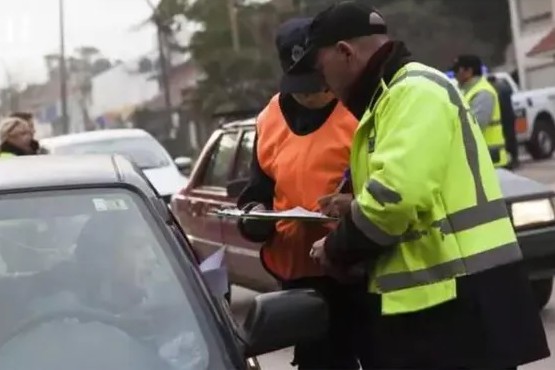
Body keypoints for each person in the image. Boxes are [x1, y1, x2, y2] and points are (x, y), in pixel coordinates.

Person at [290, 1, 550, 369]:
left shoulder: (412, 92)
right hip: (442, 303)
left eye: (322, 71)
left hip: (457, 307)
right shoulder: (389, 98)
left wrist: (337, 247)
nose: (325, 85)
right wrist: (354, 202)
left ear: (345, 53)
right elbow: (412, 191)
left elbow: (394, 198)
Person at [237, 17, 362, 370]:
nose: (310, 94)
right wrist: (255, 217)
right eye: (301, 86)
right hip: (300, 282)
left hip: (358, 270)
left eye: (318, 84)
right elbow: (256, 191)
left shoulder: (360, 109)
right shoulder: (268, 119)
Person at [453, 55, 510, 168]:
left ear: (469, 71)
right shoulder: (466, 91)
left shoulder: (483, 92)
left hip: (491, 160)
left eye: (457, 70)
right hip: (481, 159)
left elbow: (476, 124)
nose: (455, 74)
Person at [488, 74, 520, 169]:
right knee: (512, 138)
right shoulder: (504, 86)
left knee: (506, 140)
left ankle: (510, 159)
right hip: (510, 115)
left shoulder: (493, 89)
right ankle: (515, 158)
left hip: (502, 117)